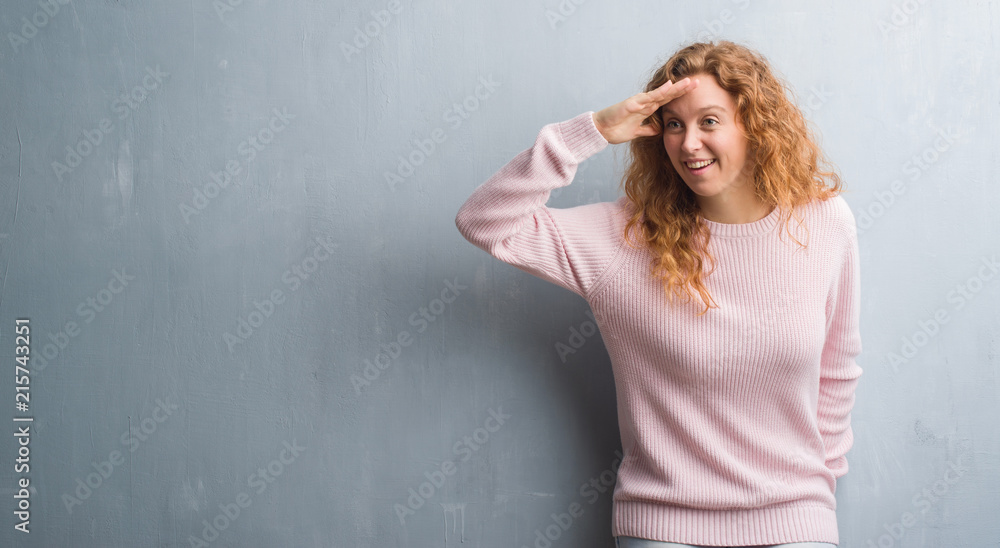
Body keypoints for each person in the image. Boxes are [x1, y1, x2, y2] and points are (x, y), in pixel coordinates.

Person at [454, 40, 861, 548]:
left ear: (755, 126)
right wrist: (593, 132)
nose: (689, 143)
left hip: (797, 521)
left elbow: (837, 370)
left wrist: (817, 490)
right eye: (674, 124)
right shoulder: (620, 239)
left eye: (709, 121)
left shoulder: (824, 224)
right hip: (665, 526)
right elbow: (485, 221)